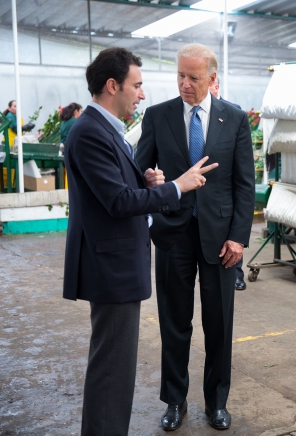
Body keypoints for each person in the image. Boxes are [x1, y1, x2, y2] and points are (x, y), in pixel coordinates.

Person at [62, 47, 217, 435]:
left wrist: (142, 182)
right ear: (113, 86)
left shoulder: (103, 130)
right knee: (112, 371)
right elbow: (116, 203)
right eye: (137, 85)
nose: (142, 94)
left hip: (116, 265)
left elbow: (114, 191)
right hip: (111, 269)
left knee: (115, 368)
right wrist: (177, 188)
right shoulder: (90, 133)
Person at [136, 43, 255, 431]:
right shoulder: (158, 116)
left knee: (219, 325)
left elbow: (244, 184)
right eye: (180, 76)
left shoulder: (234, 119)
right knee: (174, 323)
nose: (185, 84)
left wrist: (238, 238)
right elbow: (138, 172)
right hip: (173, 235)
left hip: (221, 242)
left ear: (212, 78)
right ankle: (174, 401)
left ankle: (216, 402)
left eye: (193, 77)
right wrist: (152, 182)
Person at [208, 75, 247, 292]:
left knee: (233, 234)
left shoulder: (234, 111)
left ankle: (236, 274)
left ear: (216, 86)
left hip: (228, 182)